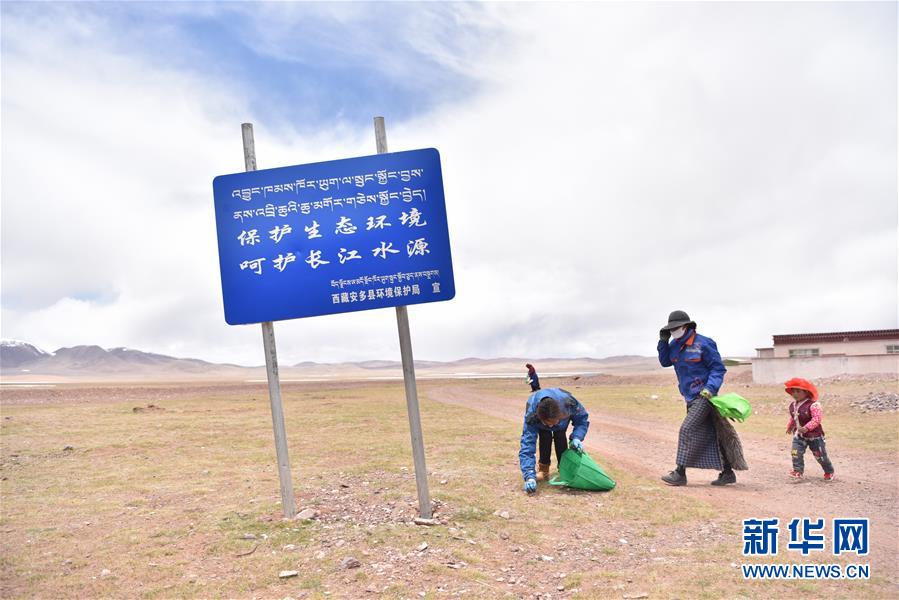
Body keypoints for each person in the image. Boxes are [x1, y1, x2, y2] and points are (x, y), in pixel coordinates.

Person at [657, 310, 747, 486]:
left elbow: (718, 369)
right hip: (688, 396)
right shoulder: (674, 345)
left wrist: (710, 388)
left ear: (686, 326)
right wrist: (663, 341)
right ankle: (727, 472)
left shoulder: (704, 343)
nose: (674, 331)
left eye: (676, 328)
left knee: (686, 429)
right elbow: (665, 361)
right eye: (671, 329)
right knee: (713, 433)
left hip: (704, 396)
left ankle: (680, 473)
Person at [518, 388, 589, 493]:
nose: (551, 426)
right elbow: (527, 446)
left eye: (554, 422)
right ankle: (543, 470)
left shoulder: (569, 403)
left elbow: (582, 420)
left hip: (561, 422)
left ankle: (564, 470)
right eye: (548, 423)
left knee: (560, 435)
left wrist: (577, 437)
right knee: (545, 435)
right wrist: (529, 476)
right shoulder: (532, 415)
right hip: (543, 423)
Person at [784, 377, 835, 481]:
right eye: (793, 391)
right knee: (795, 452)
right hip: (799, 436)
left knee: (820, 456)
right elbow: (794, 417)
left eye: (798, 391)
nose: (795, 394)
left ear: (806, 392)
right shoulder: (793, 405)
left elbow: (817, 419)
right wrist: (790, 426)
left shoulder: (814, 405)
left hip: (814, 437)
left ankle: (829, 471)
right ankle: (797, 471)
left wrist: (807, 428)